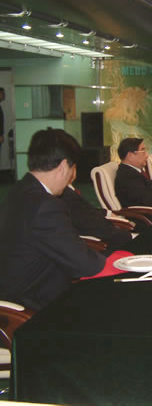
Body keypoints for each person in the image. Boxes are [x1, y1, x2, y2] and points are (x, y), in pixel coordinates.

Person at [0, 128, 106, 310]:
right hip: (35, 304)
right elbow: (85, 264)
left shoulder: (18, 190)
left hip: (15, 288)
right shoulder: (47, 206)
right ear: (64, 166)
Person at [60, 165, 133, 255]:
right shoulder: (65, 195)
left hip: (98, 226)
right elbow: (85, 221)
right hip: (98, 241)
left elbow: (87, 209)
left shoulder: (69, 190)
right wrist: (114, 229)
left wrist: (107, 213)